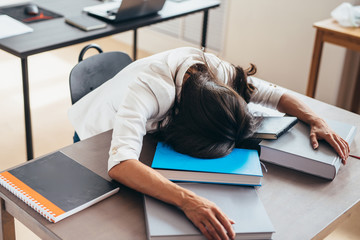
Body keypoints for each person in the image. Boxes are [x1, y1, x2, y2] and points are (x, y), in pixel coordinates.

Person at [68, 47, 349, 240]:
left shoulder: (218, 75)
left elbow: (273, 94)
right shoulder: (150, 91)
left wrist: (316, 119)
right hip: (98, 135)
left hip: (147, 133)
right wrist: (187, 201)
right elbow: (119, 163)